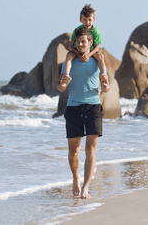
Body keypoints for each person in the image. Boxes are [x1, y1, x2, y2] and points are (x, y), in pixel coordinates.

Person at [57, 27, 110, 199]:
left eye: (84, 41)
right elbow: (60, 86)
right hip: (73, 108)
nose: (81, 44)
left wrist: (106, 84)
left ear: (90, 43)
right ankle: (75, 178)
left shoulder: (97, 61)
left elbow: (106, 87)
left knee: (91, 148)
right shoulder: (69, 63)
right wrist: (62, 84)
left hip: (93, 107)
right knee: (74, 151)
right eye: (78, 42)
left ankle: (86, 186)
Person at [60, 4, 108, 88]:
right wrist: (78, 54)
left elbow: (97, 46)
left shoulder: (95, 32)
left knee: (100, 56)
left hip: (91, 51)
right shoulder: (76, 30)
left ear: (94, 20)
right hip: (77, 50)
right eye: (85, 20)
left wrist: (89, 55)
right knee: (69, 55)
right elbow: (70, 46)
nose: (87, 22)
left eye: (89, 20)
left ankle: (103, 75)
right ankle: (66, 75)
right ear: (80, 20)